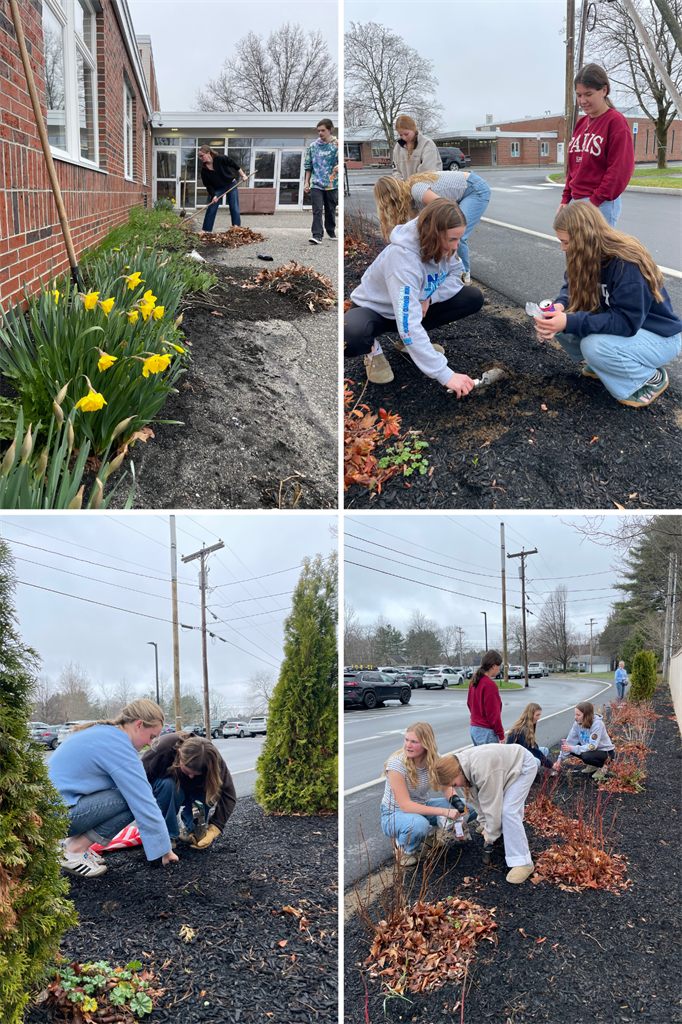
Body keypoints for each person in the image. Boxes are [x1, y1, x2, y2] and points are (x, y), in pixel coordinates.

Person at [534, 201, 682, 408]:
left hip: (657, 335)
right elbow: (571, 287)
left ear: (584, 238)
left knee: (592, 345)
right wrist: (559, 306)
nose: (563, 248)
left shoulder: (626, 263)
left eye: (566, 242)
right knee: (565, 317)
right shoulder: (585, 254)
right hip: (629, 327)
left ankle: (649, 378)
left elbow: (626, 322)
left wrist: (569, 321)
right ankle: (604, 364)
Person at [344, 198, 484, 388]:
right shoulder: (403, 259)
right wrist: (445, 374)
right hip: (375, 311)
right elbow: (407, 321)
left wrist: (429, 296)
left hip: (410, 306)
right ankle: (374, 352)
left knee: (472, 297)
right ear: (433, 234)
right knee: (350, 335)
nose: (456, 246)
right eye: (452, 239)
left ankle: (407, 343)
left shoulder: (446, 246)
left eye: (459, 238)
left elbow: (455, 273)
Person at [48, 699, 178, 878]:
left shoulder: (103, 733)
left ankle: (68, 845)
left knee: (124, 794)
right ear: (139, 725)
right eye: (152, 736)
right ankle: (74, 852)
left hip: (48, 814)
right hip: (56, 818)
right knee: (131, 799)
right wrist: (166, 851)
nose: (150, 744)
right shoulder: (119, 745)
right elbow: (143, 799)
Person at [436, 745, 538, 884]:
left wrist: (490, 836)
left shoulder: (482, 771)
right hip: (502, 769)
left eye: (454, 784)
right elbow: (477, 802)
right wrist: (486, 826)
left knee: (508, 811)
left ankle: (524, 862)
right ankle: (504, 833)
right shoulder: (462, 771)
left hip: (521, 766)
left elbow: (492, 807)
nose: (455, 788)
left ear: (458, 772)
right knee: (499, 817)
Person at [374, 170, 491, 284]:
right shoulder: (411, 201)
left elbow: (445, 208)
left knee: (455, 234)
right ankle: (451, 272)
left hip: (474, 189)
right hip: (464, 191)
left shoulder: (416, 190)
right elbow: (416, 229)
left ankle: (463, 277)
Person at [559, 64, 635, 228]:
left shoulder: (615, 122)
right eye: (578, 95)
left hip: (600, 203)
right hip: (576, 201)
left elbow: (619, 170)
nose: (582, 101)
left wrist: (594, 202)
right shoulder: (581, 123)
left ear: (604, 90)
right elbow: (574, 167)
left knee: (594, 254)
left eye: (588, 94)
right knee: (574, 252)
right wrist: (566, 198)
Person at [381, 722, 464, 867]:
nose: (408, 745)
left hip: (422, 806)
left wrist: (457, 804)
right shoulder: (396, 764)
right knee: (418, 825)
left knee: (468, 807)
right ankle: (403, 849)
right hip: (394, 814)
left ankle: (428, 836)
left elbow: (445, 787)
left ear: (427, 743)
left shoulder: (435, 758)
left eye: (414, 742)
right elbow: (406, 806)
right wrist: (445, 811)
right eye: (407, 740)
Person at [142, 731, 236, 849]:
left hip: (194, 790)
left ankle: (190, 828)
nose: (191, 776)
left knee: (212, 788)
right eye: (187, 771)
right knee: (169, 785)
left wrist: (216, 826)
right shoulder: (163, 748)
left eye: (196, 774)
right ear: (180, 753)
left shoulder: (212, 759)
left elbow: (229, 794)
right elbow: (138, 781)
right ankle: (167, 833)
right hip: (166, 790)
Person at [556, 701, 615, 778]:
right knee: (569, 747)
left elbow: (593, 746)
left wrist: (572, 748)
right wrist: (559, 760)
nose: (575, 717)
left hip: (605, 752)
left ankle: (603, 767)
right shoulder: (577, 724)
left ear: (586, 715)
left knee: (586, 756)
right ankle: (594, 766)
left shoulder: (597, 724)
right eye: (575, 714)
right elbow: (569, 742)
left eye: (578, 715)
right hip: (593, 751)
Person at [199, 145, 248, 232]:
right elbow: (208, 185)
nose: (201, 158)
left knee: (234, 207)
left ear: (208, 153)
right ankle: (206, 230)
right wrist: (213, 195)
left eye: (202, 155)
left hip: (230, 184)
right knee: (211, 208)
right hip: (218, 189)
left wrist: (243, 175)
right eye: (199, 156)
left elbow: (234, 164)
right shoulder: (204, 170)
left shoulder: (220, 158)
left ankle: (236, 229)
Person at [304, 119, 338, 244]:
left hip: (332, 183)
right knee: (317, 209)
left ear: (330, 130)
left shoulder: (337, 144)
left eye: (323, 130)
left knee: (330, 209)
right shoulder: (313, 147)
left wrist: (340, 165)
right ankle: (317, 235)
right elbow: (308, 165)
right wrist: (306, 182)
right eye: (318, 131)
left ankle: (330, 229)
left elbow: (343, 161)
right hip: (316, 183)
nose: (320, 133)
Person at [467, 650, 505, 745]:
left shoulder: (474, 681)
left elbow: (469, 703)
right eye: (499, 666)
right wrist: (501, 735)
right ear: (494, 666)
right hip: (486, 731)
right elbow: (493, 714)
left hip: (474, 728)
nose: (499, 670)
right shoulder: (489, 685)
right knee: (492, 760)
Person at [391, 115, 442, 181]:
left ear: (413, 129)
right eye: (401, 135)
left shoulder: (427, 144)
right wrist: (401, 185)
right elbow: (396, 170)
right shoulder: (398, 147)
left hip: (426, 188)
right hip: (406, 189)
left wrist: (412, 185)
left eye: (406, 134)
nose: (403, 137)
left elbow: (427, 171)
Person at [506, 703, 553, 769]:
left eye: (539, 715)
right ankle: (528, 776)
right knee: (537, 761)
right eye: (537, 715)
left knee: (545, 750)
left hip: (521, 752)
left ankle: (533, 770)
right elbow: (533, 750)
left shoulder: (527, 726)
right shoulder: (523, 730)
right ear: (530, 715)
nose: (539, 717)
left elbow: (533, 746)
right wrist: (551, 765)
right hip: (513, 758)